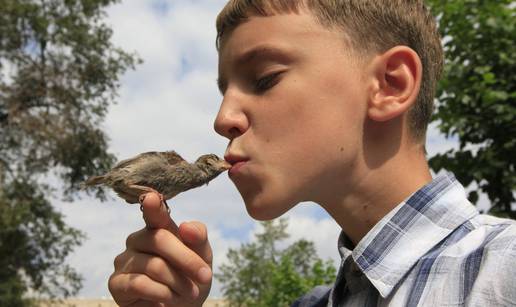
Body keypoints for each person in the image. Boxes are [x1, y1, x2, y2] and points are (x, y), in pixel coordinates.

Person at [108, 0, 516, 306]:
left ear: (390, 85)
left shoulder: (503, 272)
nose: (223, 119)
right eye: (224, 90)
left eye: (265, 79)